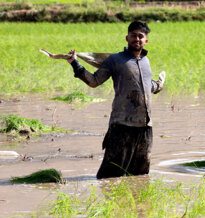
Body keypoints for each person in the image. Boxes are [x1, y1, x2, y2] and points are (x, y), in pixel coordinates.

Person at [67, 20, 165, 178]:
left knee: (140, 174)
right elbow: (94, 81)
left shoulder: (146, 61)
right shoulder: (115, 60)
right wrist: (75, 64)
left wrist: (158, 85)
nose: (137, 39)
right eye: (134, 36)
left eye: (141, 36)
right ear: (127, 38)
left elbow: (146, 86)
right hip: (122, 126)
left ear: (146, 40)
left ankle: (136, 202)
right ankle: (106, 200)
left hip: (145, 127)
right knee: (110, 173)